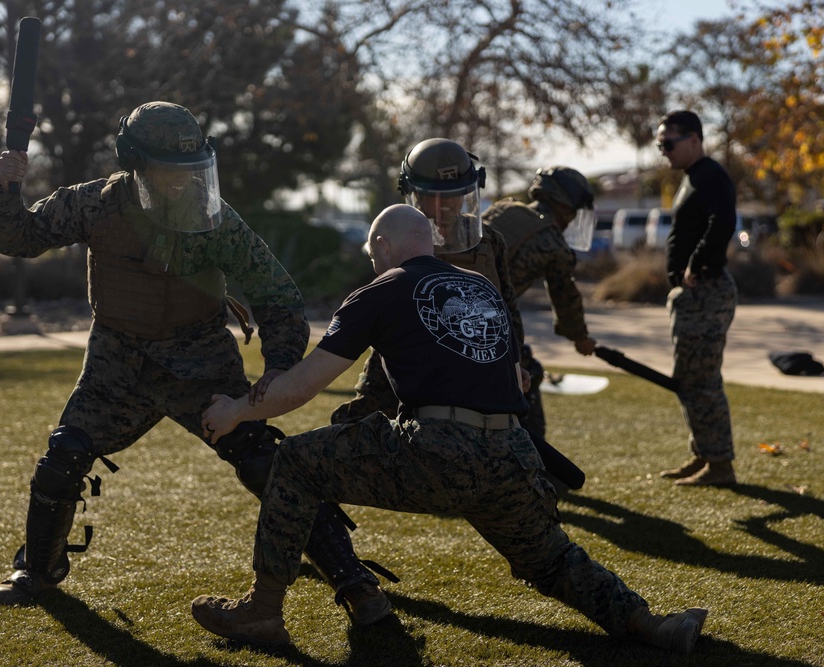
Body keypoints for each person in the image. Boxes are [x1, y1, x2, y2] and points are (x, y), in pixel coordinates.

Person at [190, 204, 708, 653]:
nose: (373, 263)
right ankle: (652, 624)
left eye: (374, 254)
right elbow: (512, 376)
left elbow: (302, 385)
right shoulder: (480, 287)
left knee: (296, 463)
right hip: (512, 453)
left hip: (438, 451)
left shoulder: (382, 289)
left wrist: (236, 411)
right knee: (551, 559)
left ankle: (262, 611)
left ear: (382, 244)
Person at [0, 101, 391, 624]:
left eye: (188, 169)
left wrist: (279, 365)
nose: (179, 182)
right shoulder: (93, 203)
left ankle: (356, 583)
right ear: (134, 164)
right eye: (166, 170)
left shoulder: (213, 216)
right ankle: (37, 570)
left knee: (263, 459)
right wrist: (7, 188)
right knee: (63, 459)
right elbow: (15, 237)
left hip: (199, 362)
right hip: (117, 364)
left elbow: (277, 293)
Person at [329, 138, 526, 425]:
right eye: (433, 197)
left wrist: (514, 362)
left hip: (475, 353)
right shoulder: (397, 239)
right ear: (414, 197)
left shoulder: (490, 242)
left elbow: (507, 305)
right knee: (359, 420)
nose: (443, 206)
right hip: (407, 350)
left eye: (452, 196)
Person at [654, 110, 738, 486]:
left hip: (706, 292)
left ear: (693, 139)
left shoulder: (710, 176)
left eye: (668, 143)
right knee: (690, 379)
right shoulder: (692, 179)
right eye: (660, 145)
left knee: (700, 380)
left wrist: (698, 262)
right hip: (693, 296)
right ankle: (704, 454)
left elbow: (723, 221)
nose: (663, 151)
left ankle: (720, 465)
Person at [484, 166, 598, 439]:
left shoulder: (504, 210)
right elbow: (565, 298)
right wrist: (581, 338)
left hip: (448, 307)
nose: (572, 220)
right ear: (566, 205)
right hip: (486, 322)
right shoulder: (551, 241)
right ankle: (536, 463)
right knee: (528, 372)